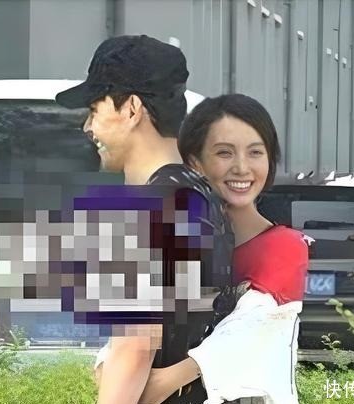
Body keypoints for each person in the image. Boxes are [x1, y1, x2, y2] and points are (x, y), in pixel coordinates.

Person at [55, 35, 234, 404]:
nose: (88, 127)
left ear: (132, 108)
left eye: (95, 110)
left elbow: (135, 346)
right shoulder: (200, 193)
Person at [138, 94, 309, 404]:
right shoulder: (178, 237)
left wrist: (163, 382)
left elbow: (253, 329)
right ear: (195, 162)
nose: (242, 168)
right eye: (224, 153)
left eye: (255, 152)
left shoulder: (283, 245)